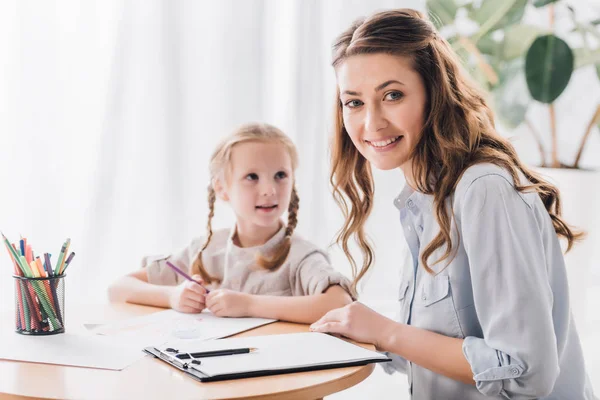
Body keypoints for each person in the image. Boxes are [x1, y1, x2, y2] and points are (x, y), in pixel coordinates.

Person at [310, 8, 596, 400]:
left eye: (392, 95)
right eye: (354, 102)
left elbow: (527, 372)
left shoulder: (483, 190)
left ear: (434, 93)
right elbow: (442, 340)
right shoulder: (420, 199)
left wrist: (385, 331)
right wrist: (356, 330)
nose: (371, 123)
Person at [108, 123, 353, 324]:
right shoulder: (205, 250)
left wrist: (249, 304)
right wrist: (172, 296)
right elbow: (118, 287)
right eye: (252, 177)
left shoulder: (301, 256)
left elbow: (340, 303)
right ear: (222, 189)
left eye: (280, 175)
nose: (269, 190)